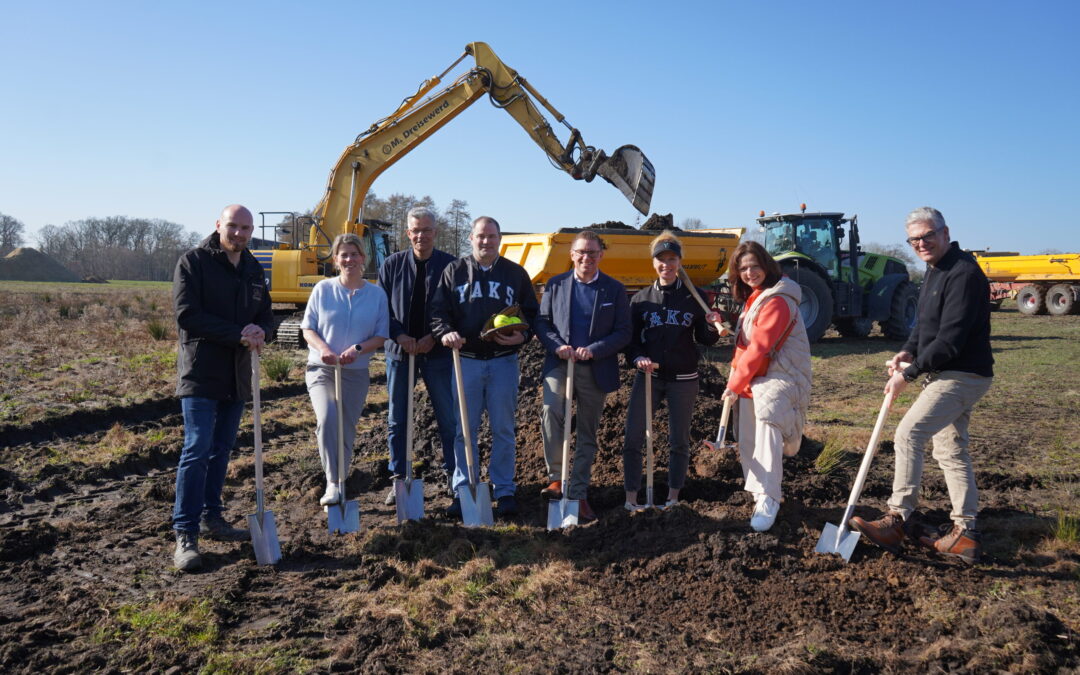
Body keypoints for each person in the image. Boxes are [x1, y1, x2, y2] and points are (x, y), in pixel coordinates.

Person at [849, 207, 993, 564]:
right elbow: (924, 328)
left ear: (945, 233)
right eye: (913, 239)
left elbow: (951, 340)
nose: (921, 244)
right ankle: (965, 534)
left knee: (908, 434)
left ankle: (897, 518)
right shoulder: (934, 271)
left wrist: (908, 376)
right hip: (949, 372)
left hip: (962, 374)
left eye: (927, 236)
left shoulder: (963, 274)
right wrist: (906, 352)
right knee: (950, 450)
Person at [172, 204, 273, 572]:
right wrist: (238, 334)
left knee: (221, 450)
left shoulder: (252, 268)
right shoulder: (194, 262)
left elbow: (265, 314)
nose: (240, 234)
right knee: (197, 448)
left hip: (237, 375)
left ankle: (212, 518)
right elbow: (187, 315)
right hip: (201, 373)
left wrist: (263, 331)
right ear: (218, 225)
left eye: (246, 228)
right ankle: (185, 533)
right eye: (233, 226)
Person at [430, 216, 539, 518]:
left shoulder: (515, 274)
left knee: (503, 428)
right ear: (471, 238)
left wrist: (523, 335)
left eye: (491, 236)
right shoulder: (454, 271)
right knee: (465, 431)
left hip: (504, 363)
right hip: (466, 362)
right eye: (481, 236)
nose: (486, 242)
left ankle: (504, 490)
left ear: (499, 239)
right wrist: (445, 332)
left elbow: (531, 313)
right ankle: (465, 489)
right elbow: (438, 312)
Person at [535, 231, 632, 522]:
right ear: (572, 254)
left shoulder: (614, 290)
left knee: (588, 431)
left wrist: (595, 349)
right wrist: (557, 345)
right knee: (551, 411)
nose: (586, 258)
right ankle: (556, 478)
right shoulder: (556, 285)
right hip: (560, 362)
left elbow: (624, 331)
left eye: (592, 253)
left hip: (595, 367)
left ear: (601, 255)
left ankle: (577, 493)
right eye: (581, 252)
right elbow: (542, 323)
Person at [623, 232, 723, 511]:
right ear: (653, 262)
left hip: (684, 379)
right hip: (649, 377)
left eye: (672, 259)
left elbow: (706, 339)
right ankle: (631, 499)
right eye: (661, 259)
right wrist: (638, 357)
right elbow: (630, 341)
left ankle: (673, 499)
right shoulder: (641, 300)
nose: (666, 264)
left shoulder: (695, 297)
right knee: (632, 437)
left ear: (679, 262)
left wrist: (712, 323)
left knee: (678, 440)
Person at [720, 240, 812, 532]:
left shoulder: (777, 300)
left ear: (767, 266)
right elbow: (747, 344)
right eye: (743, 268)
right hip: (754, 377)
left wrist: (734, 384)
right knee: (746, 440)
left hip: (779, 377)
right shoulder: (754, 297)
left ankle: (770, 497)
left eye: (755, 266)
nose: (749, 273)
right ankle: (760, 492)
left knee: (768, 436)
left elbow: (760, 348)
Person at [301, 233, 389, 507]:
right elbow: (308, 328)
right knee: (328, 419)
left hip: (355, 371)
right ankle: (333, 482)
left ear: (363, 258)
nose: (349, 259)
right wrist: (324, 349)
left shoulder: (376, 295)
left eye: (354, 253)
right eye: (344, 254)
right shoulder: (323, 290)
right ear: (336, 259)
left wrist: (358, 350)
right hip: (322, 368)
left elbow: (381, 335)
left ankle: (341, 479)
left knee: (346, 427)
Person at [378, 207, 459, 505]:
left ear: (435, 232)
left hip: (437, 354)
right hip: (400, 353)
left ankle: (455, 476)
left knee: (448, 419)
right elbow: (381, 307)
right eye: (416, 230)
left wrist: (433, 338)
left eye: (427, 230)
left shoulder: (451, 265)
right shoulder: (392, 265)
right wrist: (399, 336)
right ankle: (399, 478)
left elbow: (455, 309)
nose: (421, 235)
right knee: (397, 419)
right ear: (408, 233)